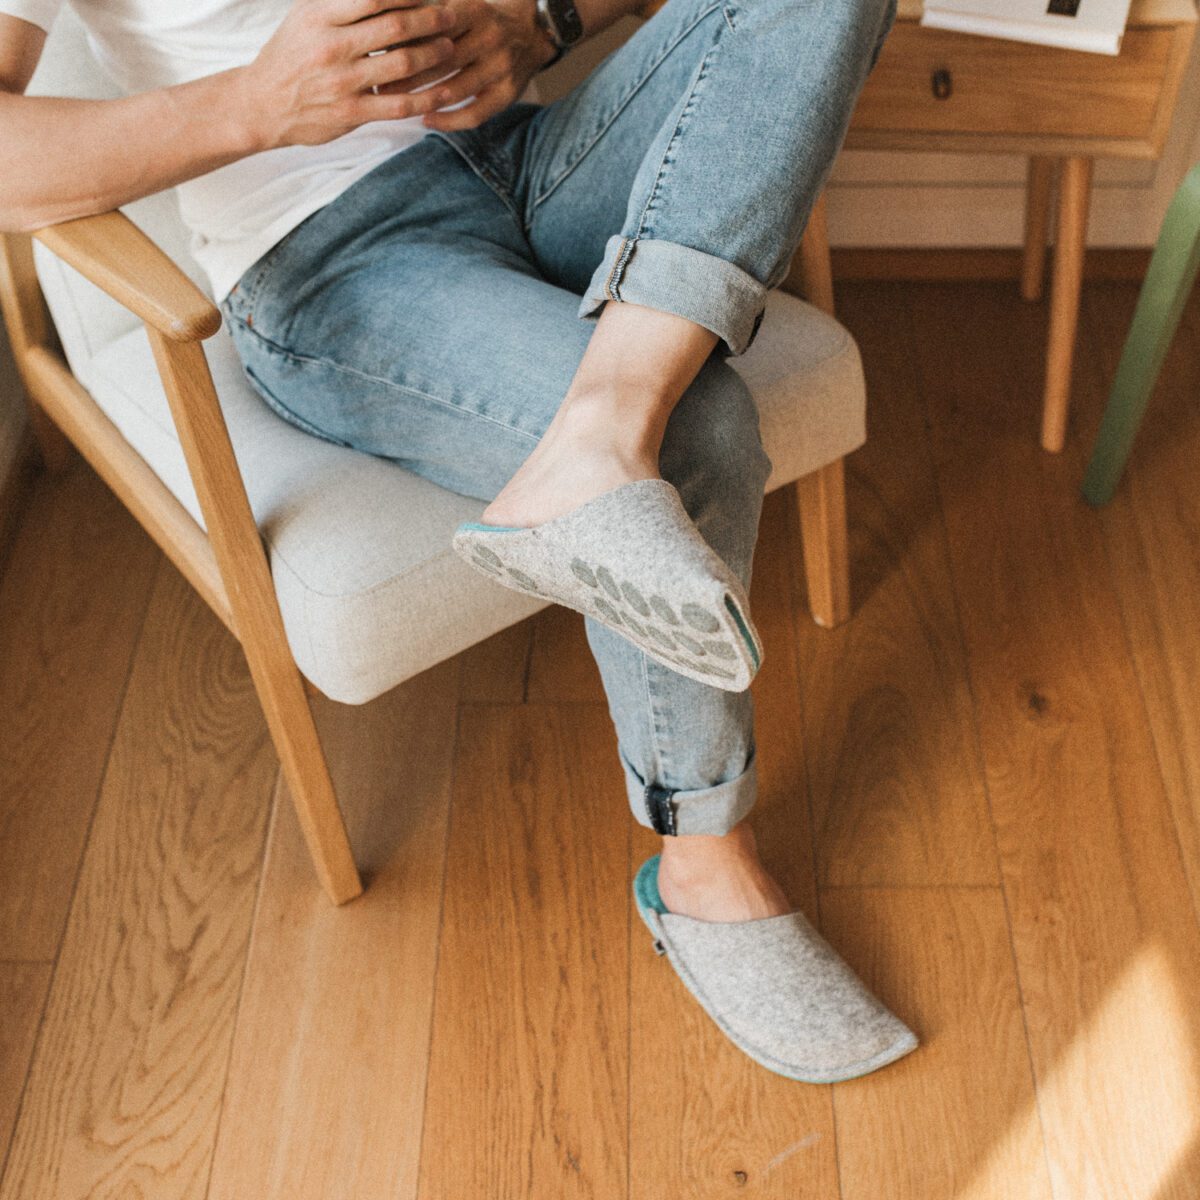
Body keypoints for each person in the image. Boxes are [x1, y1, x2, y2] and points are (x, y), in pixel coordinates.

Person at [0, 0, 918, 1082]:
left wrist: (546, 18)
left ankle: (600, 427)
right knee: (700, 423)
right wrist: (251, 104)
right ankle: (702, 863)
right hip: (334, 257)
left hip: (526, 151)